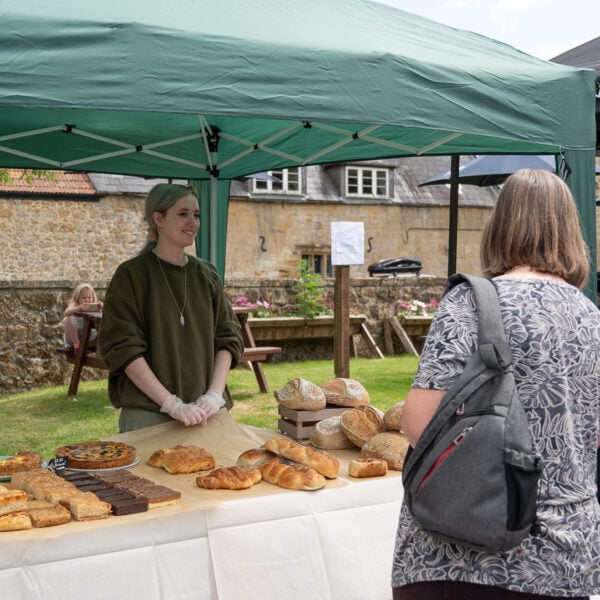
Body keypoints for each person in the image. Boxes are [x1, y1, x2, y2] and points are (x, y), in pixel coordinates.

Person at [392, 169, 600, 599]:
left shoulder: (471, 302)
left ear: (499, 227)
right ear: (570, 231)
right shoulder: (591, 316)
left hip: (462, 552)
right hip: (565, 554)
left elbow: (418, 424)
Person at [99, 183, 244, 433]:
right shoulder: (131, 276)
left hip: (208, 414)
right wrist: (170, 404)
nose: (193, 222)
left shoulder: (206, 274)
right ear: (159, 218)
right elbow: (123, 348)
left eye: (196, 215)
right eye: (183, 214)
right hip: (149, 415)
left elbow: (228, 337)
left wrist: (214, 394)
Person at [62, 283, 103, 354]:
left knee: (103, 325)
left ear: (93, 297)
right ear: (77, 298)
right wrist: (78, 308)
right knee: (66, 320)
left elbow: (108, 313)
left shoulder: (95, 306)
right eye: (83, 298)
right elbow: (66, 313)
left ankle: (99, 350)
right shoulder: (75, 305)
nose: (87, 300)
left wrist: (102, 307)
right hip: (75, 337)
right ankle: (77, 346)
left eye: (89, 298)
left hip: (90, 337)